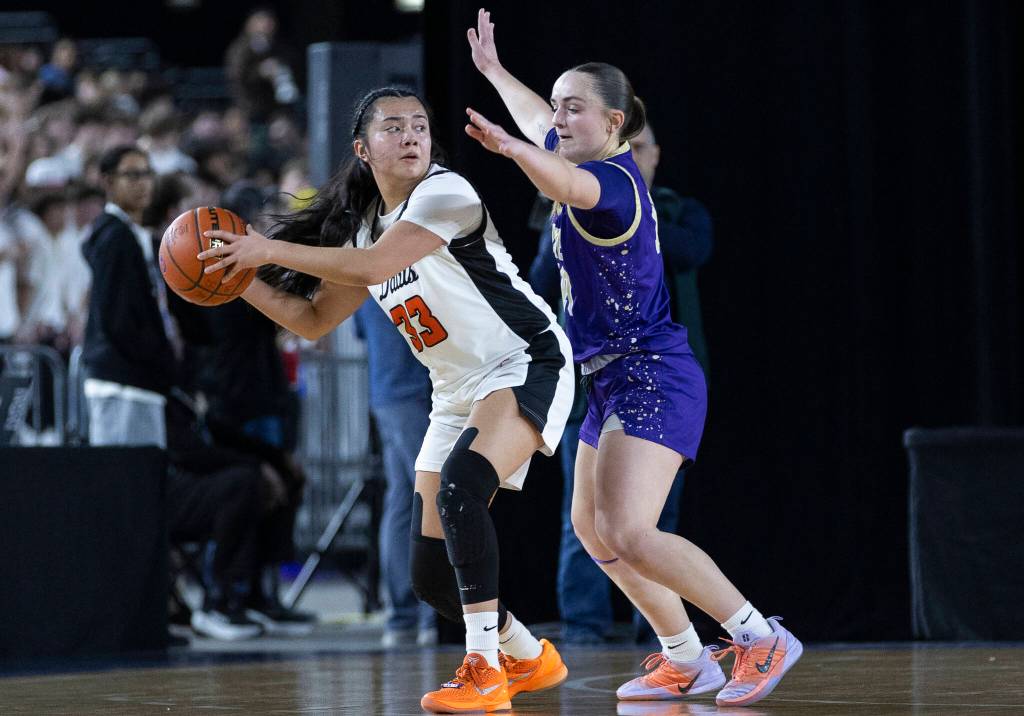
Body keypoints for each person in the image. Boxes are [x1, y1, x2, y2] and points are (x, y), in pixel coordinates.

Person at [199, 86, 574, 713]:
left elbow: (376, 267)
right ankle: (528, 654)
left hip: (523, 360)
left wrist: (264, 249)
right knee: (431, 578)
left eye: (420, 126)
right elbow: (313, 320)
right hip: (454, 389)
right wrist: (240, 282)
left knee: (460, 488)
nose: (411, 137)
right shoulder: (364, 227)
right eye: (394, 127)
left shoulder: (447, 192)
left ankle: (484, 668)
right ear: (362, 149)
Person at [466, 9, 801, 707]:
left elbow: (562, 183)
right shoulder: (579, 153)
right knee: (593, 532)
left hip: (652, 374)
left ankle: (759, 635)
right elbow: (539, 126)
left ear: (614, 122)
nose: (558, 118)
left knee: (628, 530)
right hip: (609, 379)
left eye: (574, 108)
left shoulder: (612, 184)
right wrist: (496, 73)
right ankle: (686, 657)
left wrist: (512, 150)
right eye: (558, 105)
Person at [528, 121, 714, 645]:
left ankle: (710, 632)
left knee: (645, 523)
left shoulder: (665, 209)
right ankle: (596, 627)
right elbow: (540, 280)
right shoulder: (572, 207)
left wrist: (618, 208)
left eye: (639, 147)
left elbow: (691, 251)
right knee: (586, 520)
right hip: (592, 385)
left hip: (654, 380)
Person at [80, 145, 179, 447]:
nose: (142, 183)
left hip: (137, 380)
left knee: (143, 468)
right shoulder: (115, 237)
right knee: (124, 471)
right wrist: (157, 358)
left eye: (147, 174)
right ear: (108, 182)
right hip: (122, 380)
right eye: (132, 175)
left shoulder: (134, 234)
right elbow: (116, 318)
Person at [352, 300, 438, 648]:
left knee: (402, 501)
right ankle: (431, 616)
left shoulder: (361, 279)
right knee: (429, 498)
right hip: (411, 390)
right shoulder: (401, 267)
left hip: (386, 391)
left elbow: (361, 331)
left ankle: (403, 616)